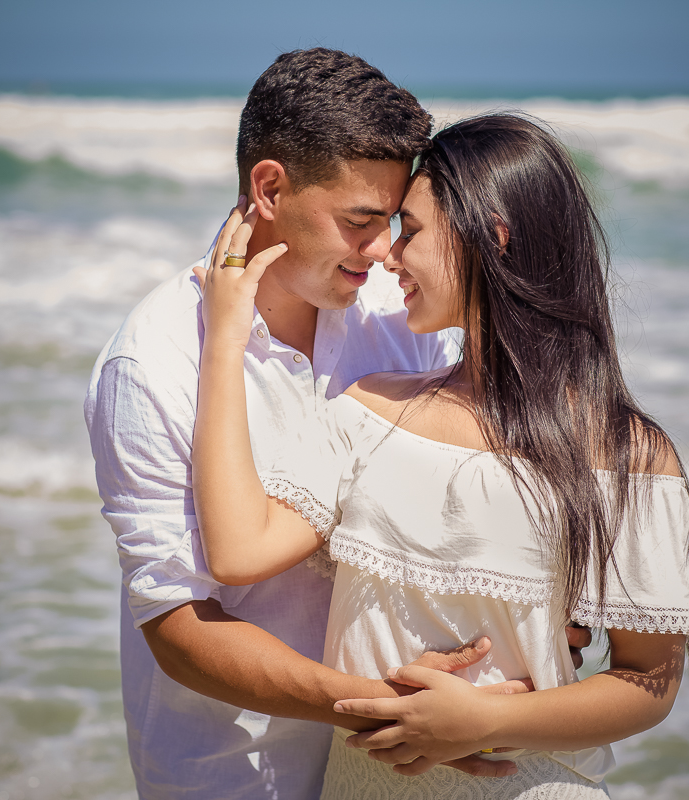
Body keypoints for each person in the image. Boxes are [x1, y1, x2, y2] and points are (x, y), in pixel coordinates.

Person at [85, 49, 591, 799]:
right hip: (241, 775)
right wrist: (378, 708)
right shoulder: (152, 361)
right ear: (269, 190)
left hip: (409, 771)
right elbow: (180, 630)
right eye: (360, 222)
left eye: (392, 222)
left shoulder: (402, 313)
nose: (384, 250)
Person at [192, 114, 689, 798]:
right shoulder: (368, 411)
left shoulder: (627, 454)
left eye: (411, 229)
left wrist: (485, 719)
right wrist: (227, 338)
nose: (388, 256)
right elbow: (235, 552)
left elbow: (649, 683)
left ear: (490, 237)